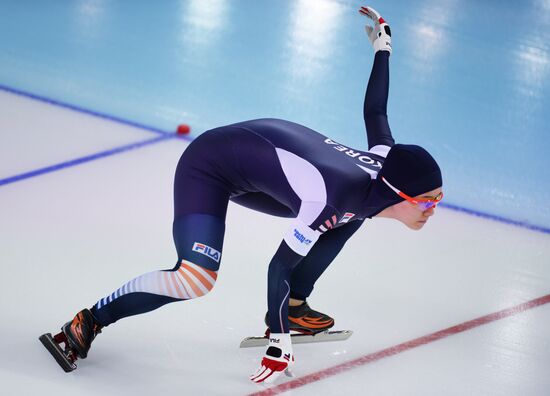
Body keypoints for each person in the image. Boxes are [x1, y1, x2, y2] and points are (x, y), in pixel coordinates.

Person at [41, 6, 443, 384]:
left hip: (263, 166)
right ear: (399, 192)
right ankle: (89, 320)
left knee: (351, 218)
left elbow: (376, 112)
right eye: (427, 201)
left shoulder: (384, 160)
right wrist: (278, 340)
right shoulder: (332, 197)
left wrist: (382, 47)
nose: (432, 210)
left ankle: (296, 305)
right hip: (210, 164)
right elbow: (277, 267)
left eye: (438, 200)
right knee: (195, 277)